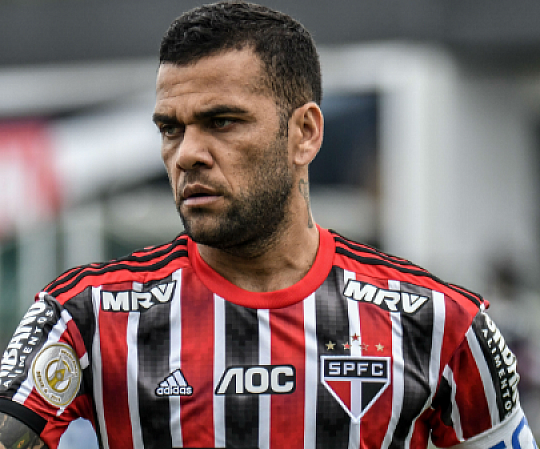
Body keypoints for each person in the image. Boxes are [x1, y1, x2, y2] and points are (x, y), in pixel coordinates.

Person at [0, 1, 537, 448]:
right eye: (170, 129)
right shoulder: (85, 314)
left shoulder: (443, 324)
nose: (187, 154)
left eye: (221, 121)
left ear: (305, 133)